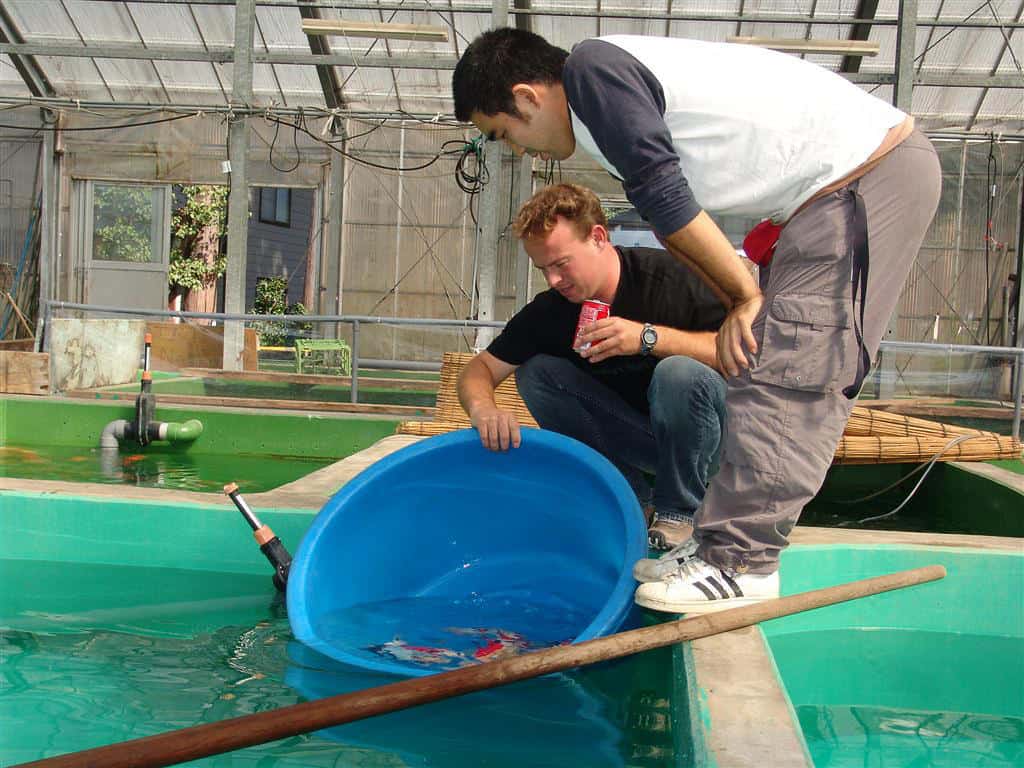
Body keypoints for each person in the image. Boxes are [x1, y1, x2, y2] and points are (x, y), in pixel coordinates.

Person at [452, 30, 942, 614]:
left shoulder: (592, 72)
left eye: (503, 134)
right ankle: (712, 544)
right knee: (775, 357)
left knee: (794, 365)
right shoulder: (598, 113)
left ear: (526, 97)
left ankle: (741, 562)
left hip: (861, 180)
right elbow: (669, 213)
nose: (517, 151)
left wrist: (740, 296)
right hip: (821, 199)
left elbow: (665, 197)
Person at [457, 183, 728, 551]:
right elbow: (480, 369)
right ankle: (630, 498)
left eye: (561, 263)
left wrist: (648, 338)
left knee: (678, 372)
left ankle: (680, 513)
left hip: (715, 442)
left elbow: (742, 354)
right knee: (536, 373)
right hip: (647, 440)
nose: (553, 280)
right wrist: (483, 409)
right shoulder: (551, 311)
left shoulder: (672, 279)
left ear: (598, 238)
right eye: (543, 269)